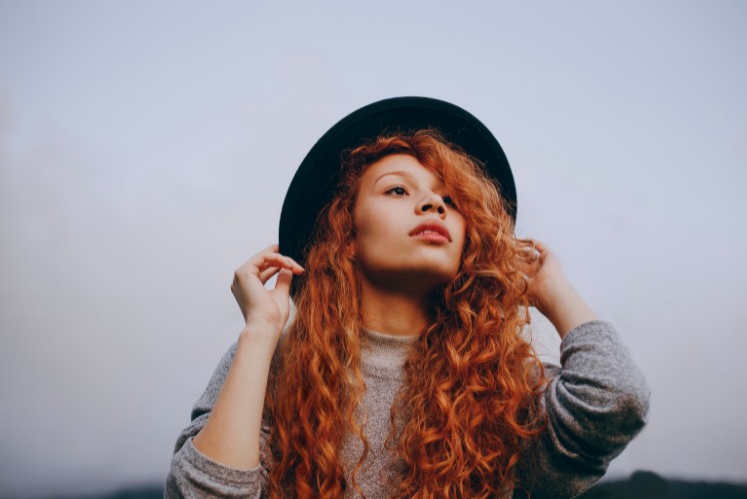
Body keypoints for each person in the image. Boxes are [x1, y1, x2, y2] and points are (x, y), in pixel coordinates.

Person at [165, 97, 650, 498]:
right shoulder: (276, 360)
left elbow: (616, 399)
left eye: (452, 200)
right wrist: (259, 332)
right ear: (346, 235)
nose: (433, 203)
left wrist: (553, 290)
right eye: (397, 190)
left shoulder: (501, 380)